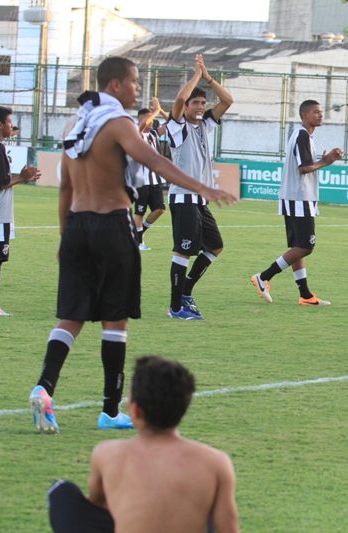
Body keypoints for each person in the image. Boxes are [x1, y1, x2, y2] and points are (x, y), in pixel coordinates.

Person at [29, 56, 236, 435]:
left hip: (76, 226)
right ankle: (110, 411)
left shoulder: (74, 123)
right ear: (115, 85)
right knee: (115, 320)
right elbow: (154, 160)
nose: (138, 88)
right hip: (111, 225)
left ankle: (44, 386)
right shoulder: (118, 122)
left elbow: (65, 188)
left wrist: (63, 236)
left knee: (71, 316)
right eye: (135, 82)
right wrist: (202, 187)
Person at [47, 356, 240, 533]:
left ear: (136, 410)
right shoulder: (215, 462)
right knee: (207, 506)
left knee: (61, 491)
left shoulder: (107, 454)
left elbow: (98, 505)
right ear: (185, 406)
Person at [251, 100, 343, 306]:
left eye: (321, 111)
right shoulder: (302, 135)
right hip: (299, 197)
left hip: (294, 196)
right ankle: (264, 277)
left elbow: (306, 165)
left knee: (298, 246)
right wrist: (326, 161)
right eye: (316, 112)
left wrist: (323, 161)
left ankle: (306, 296)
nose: (320, 115)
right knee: (306, 246)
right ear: (304, 115)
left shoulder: (302, 135)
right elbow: (304, 168)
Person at [166, 54, 234, 320]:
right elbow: (179, 100)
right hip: (183, 197)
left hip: (199, 200)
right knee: (183, 251)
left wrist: (208, 78)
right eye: (195, 103)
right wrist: (195, 75)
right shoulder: (177, 127)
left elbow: (227, 101)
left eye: (203, 103)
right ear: (186, 107)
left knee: (215, 246)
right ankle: (175, 308)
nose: (200, 106)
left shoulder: (205, 124)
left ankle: (185, 291)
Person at [0, 106, 41, 316]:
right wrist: (23, 177)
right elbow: (0, 183)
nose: (12, 126)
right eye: (9, 122)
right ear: (0, 125)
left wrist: (22, 177)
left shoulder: (1, 147)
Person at [134, 98, 169, 251]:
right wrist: (154, 112)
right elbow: (143, 125)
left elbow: (174, 124)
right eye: (149, 117)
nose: (152, 120)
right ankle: (139, 241)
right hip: (141, 180)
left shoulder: (154, 134)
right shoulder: (136, 133)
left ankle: (139, 232)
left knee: (160, 209)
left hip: (155, 179)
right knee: (139, 211)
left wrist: (160, 110)